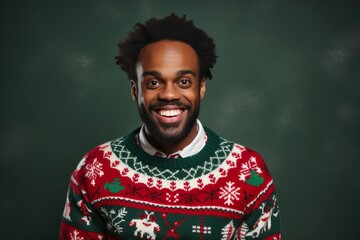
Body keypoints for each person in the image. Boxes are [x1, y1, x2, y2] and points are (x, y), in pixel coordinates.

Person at [60, 13, 281, 240]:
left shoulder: (249, 171)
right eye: (153, 82)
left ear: (201, 88)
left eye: (184, 81)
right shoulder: (95, 168)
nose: (168, 94)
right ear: (135, 90)